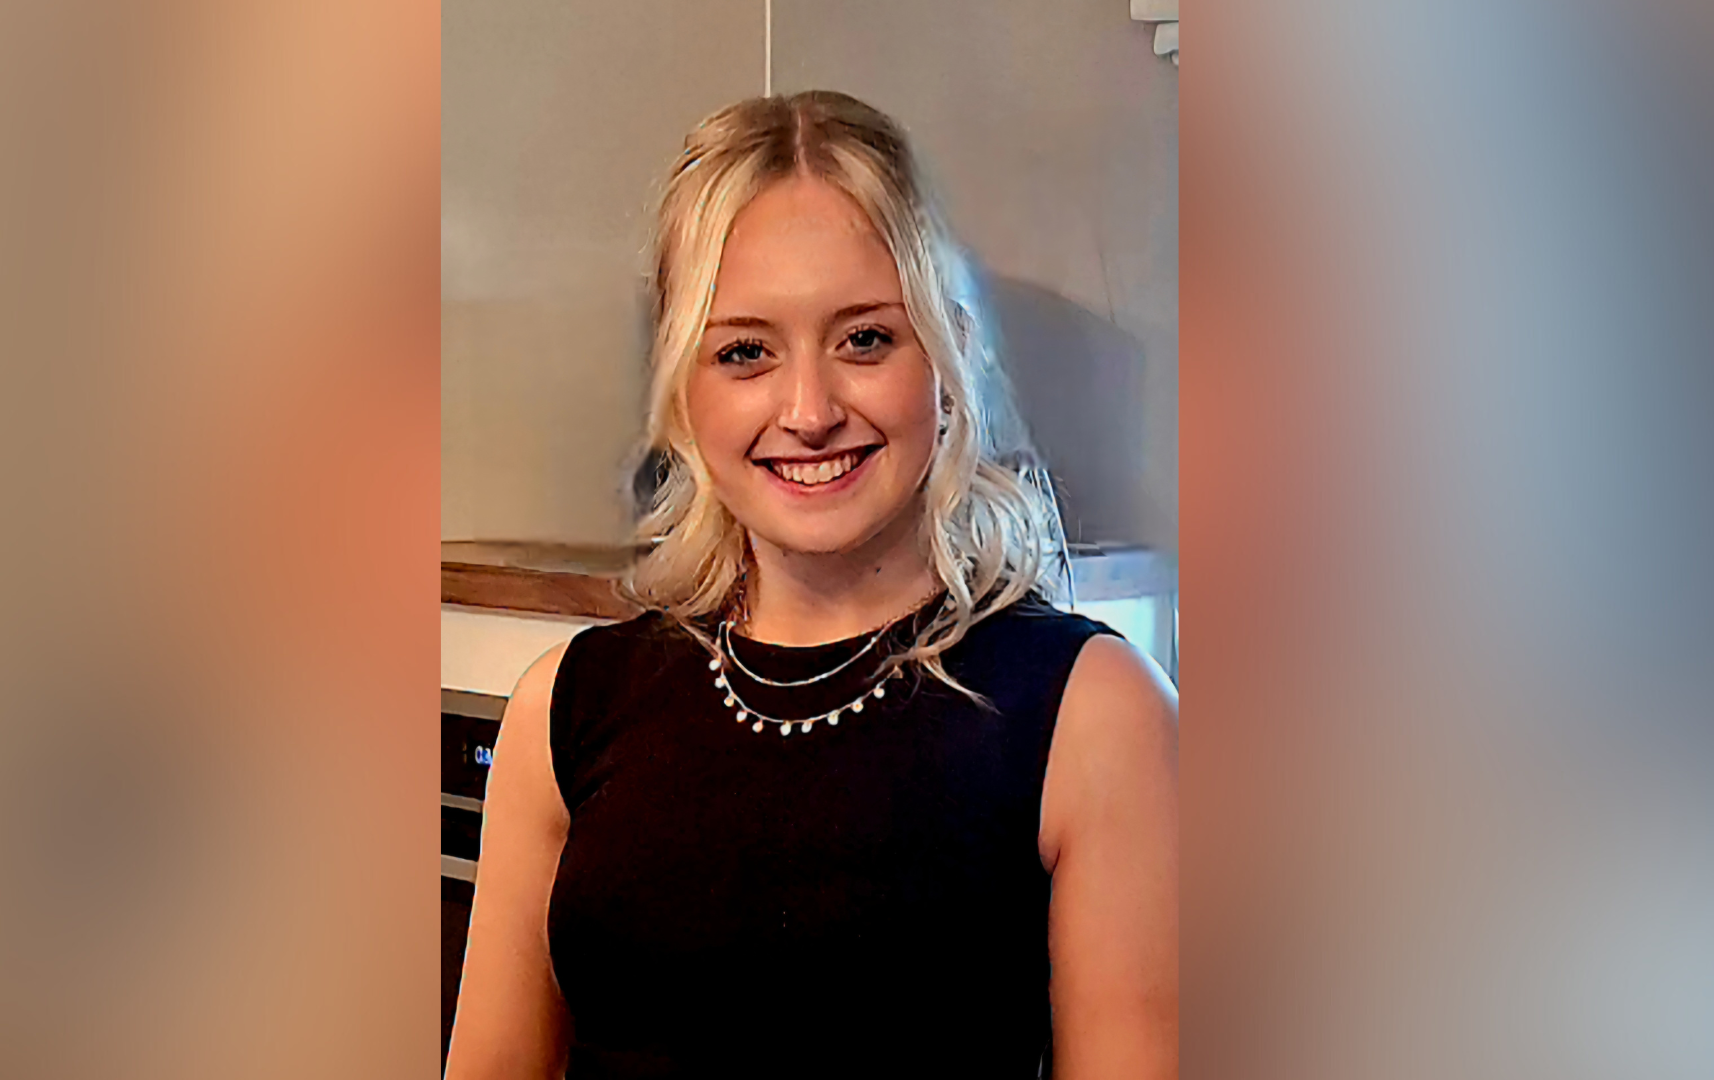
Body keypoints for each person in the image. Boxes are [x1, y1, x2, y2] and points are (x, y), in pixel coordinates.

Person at [445, 90, 1176, 1080]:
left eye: (865, 339)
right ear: (683, 386)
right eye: (745, 352)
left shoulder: (1092, 713)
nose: (808, 409)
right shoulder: (564, 709)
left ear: (947, 352)